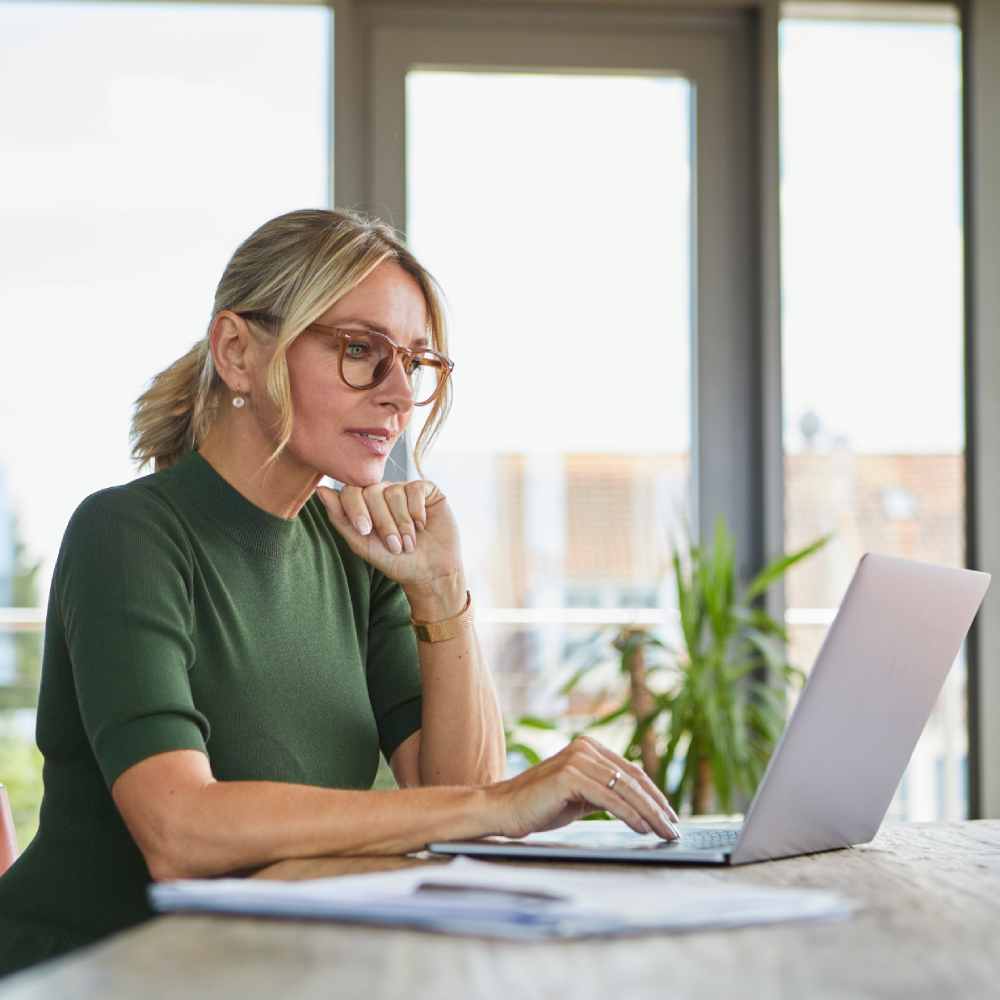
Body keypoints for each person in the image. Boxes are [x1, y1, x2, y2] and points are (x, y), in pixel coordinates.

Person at [0, 208, 679, 978]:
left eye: (415, 362)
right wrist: (502, 803)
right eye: (361, 351)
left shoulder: (358, 550)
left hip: (278, 968)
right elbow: (181, 831)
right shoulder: (128, 533)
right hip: (96, 973)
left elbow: (459, 800)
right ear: (238, 353)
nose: (398, 393)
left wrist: (440, 589)